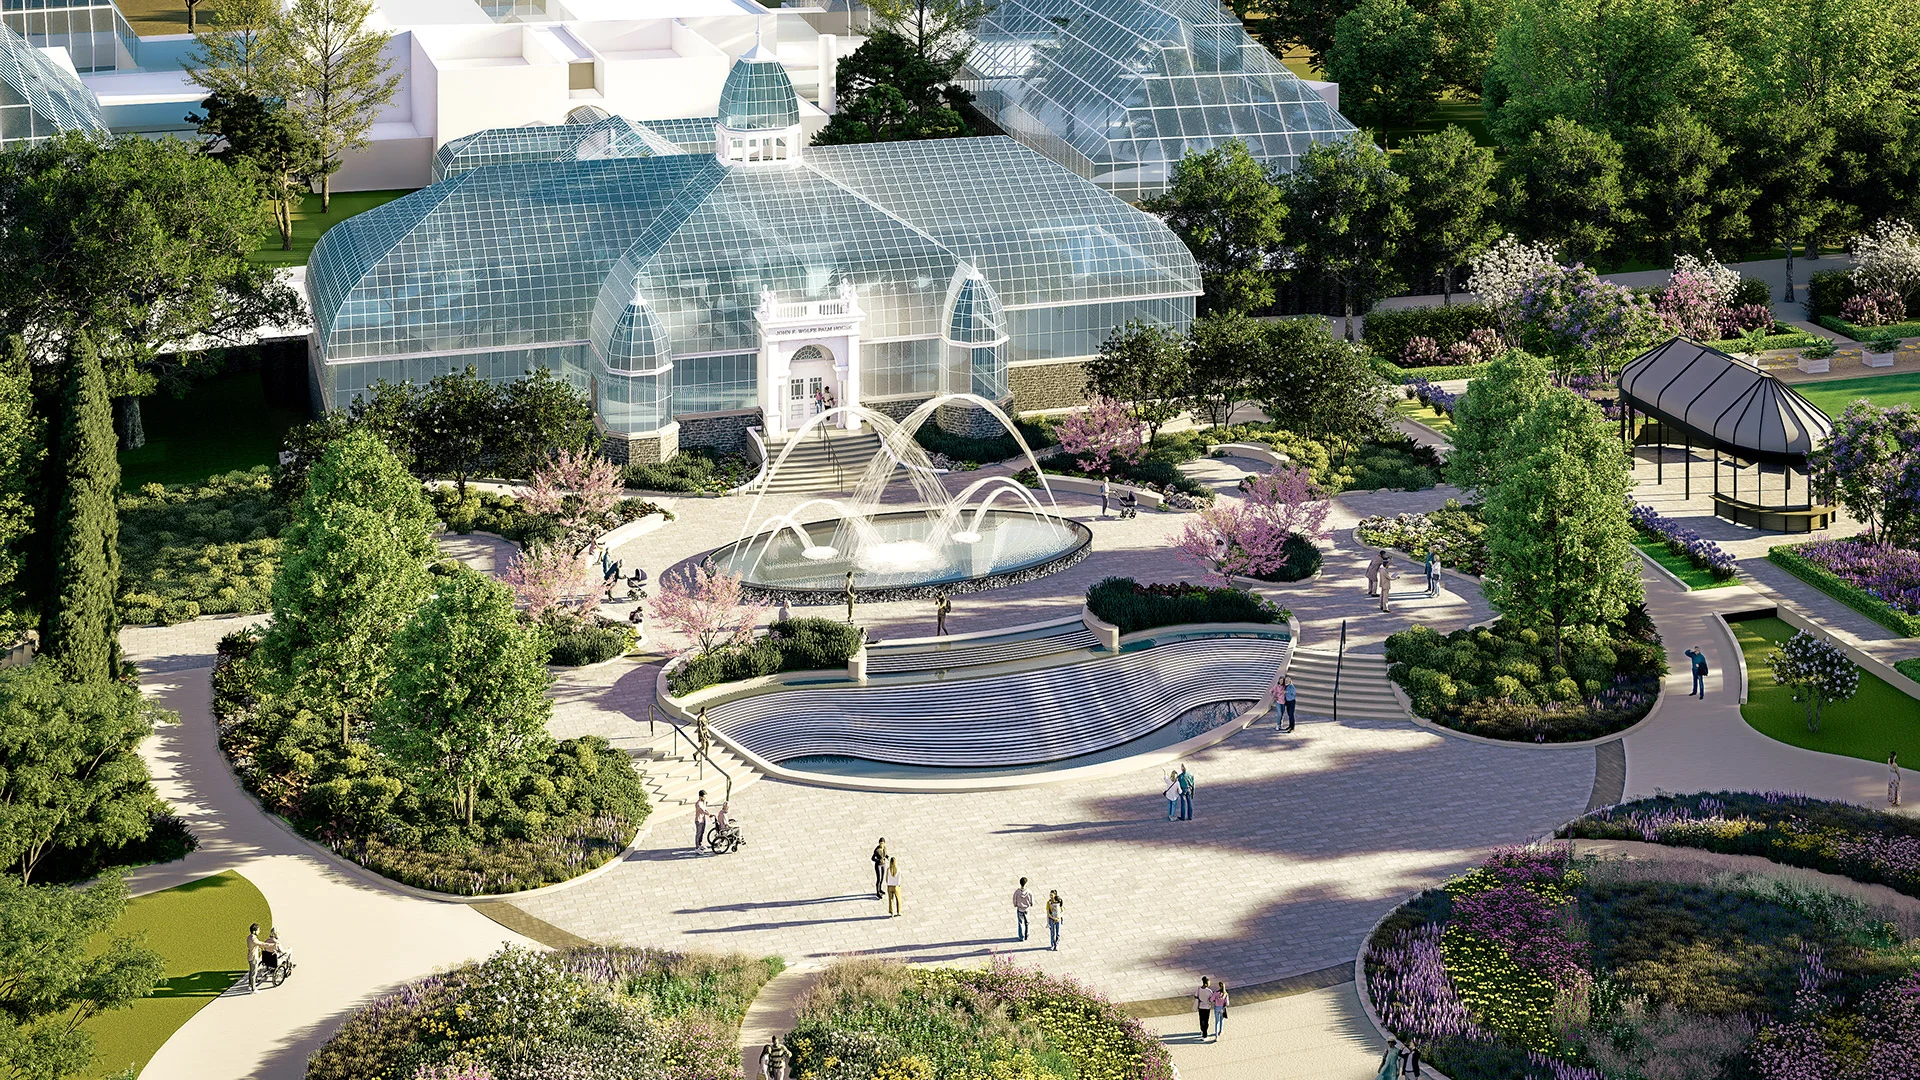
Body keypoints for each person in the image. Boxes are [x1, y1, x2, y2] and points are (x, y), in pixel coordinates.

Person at [246, 923, 265, 993]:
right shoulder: (254, 938)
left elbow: (253, 945)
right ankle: (253, 989)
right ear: (254, 931)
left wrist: (257, 948)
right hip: (254, 957)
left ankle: (250, 985)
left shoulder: (249, 937)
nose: (259, 931)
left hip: (250, 956)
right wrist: (270, 945)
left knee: (251, 972)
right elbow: (260, 943)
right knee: (254, 973)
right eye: (258, 930)